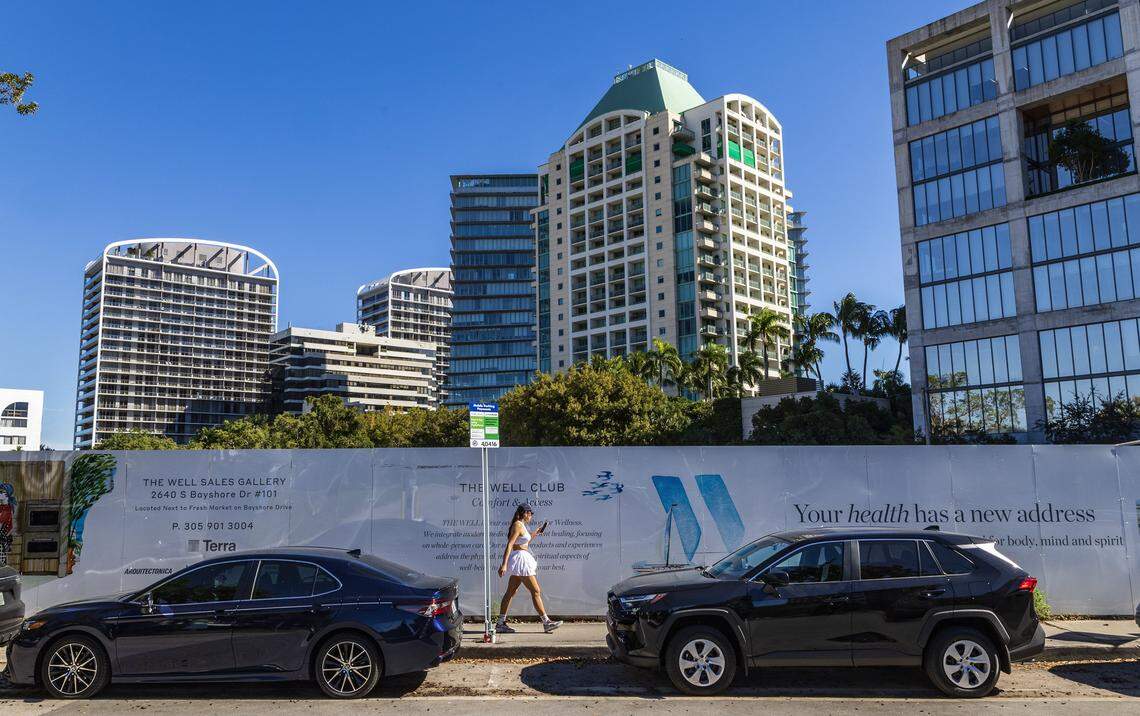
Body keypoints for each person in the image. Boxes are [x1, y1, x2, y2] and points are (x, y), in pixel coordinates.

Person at [495, 503, 561, 633]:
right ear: (524, 513)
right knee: (536, 591)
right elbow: (510, 544)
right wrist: (504, 564)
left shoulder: (522, 526)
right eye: (530, 513)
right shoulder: (518, 525)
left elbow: (523, 544)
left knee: (510, 593)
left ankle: (500, 623)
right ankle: (546, 622)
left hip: (521, 558)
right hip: (521, 560)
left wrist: (534, 534)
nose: (531, 516)